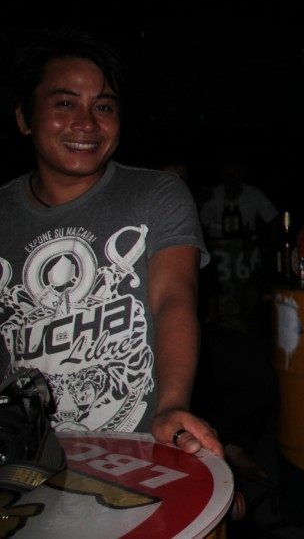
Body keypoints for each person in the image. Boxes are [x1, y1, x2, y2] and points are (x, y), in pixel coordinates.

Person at [0, 26, 222, 457]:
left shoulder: (156, 194)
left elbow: (174, 299)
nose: (87, 123)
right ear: (24, 118)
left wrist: (171, 405)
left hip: (138, 447)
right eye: (65, 103)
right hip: (27, 456)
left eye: (103, 106)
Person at [198, 160, 279, 240]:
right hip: (218, 243)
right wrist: (200, 202)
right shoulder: (211, 195)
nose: (230, 179)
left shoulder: (254, 194)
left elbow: (274, 219)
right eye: (227, 175)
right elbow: (202, 224)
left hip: (247, 244)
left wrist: (271, 245)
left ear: (242, 176)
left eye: (234, 175)